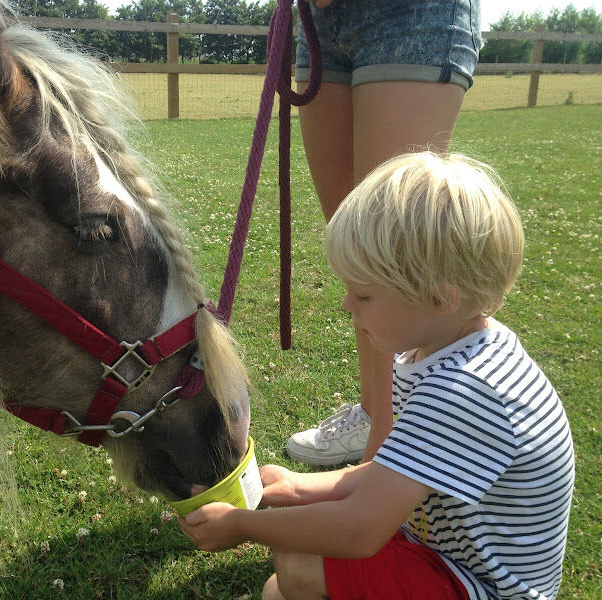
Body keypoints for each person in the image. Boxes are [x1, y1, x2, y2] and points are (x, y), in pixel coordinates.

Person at [179, 153, 575, 600]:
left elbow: (359, 530)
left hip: (485, 587)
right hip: (444, 556)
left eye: (364, 294)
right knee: (279, 589)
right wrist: (297, 486)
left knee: (299, 562)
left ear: (440, 298)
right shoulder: (445, 348)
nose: (348, 306)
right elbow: (391, 472)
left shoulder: (464, 390)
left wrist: (243, 526)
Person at [286, 0, 484, 466]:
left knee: (394, 252)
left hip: (411, 13)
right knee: (357, 250)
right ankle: (379, 413)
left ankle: (397, 443)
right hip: (318, 21)